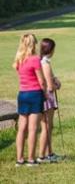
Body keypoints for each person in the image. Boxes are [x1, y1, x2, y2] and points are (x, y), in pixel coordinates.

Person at [13, 33, 46, 167]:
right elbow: (41, 81)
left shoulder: (19, 60)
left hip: (22, 94)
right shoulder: (35, 59)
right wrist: (46, 94)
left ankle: (19, 159)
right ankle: (31, 159)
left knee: (22, 129)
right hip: (34, 94)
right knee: (33, 129)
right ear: (33, 44)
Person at [38, 38, 62, 163]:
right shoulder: (45, 64)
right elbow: (50, 86)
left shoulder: (43, 61)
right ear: (51, 50)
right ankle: (42, 156)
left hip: (43, 98)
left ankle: (49, 153)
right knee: (47, 127)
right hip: (47, 98)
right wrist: (56, 84)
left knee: (47, 127)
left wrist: (55, 79)